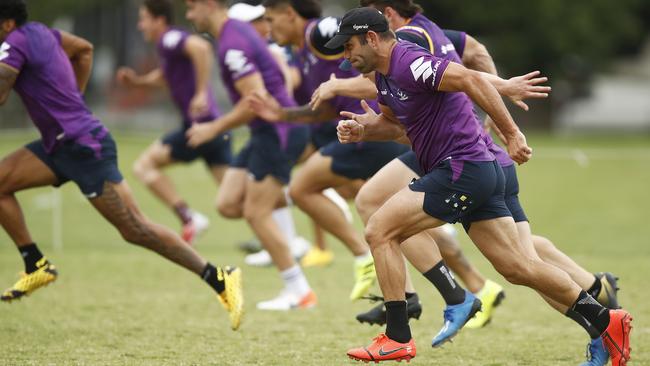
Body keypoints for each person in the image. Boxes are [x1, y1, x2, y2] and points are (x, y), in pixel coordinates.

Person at [319, 2, 622, 364]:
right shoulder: (384, 76)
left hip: (461, 169)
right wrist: (363, 130)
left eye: (349, 45)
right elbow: (398, 126)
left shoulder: (408, 60)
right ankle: (605, 323)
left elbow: (472, 78)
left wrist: (512, 134)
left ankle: (398, 336)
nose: (346, 53)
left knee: (380, 230)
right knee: (518, 267)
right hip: (471, 171)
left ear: (371, 38)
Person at [0, 0, 242, 330]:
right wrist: (75, 99)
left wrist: (73, 105)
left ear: (7, 24)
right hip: (60, 144)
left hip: (84, 147)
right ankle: (35, 263)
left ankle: (219, 278)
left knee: (135, 229)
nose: (142, 24)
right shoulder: (43, 32)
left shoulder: (14, 42)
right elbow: (83, 49)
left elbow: (2, 90)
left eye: (144, 18)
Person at [255, 0, 411, 301]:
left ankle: (362, 256)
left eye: (272, 20)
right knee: (384, 210)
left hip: (366, 129)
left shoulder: (320, 33)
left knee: (301, 189)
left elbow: (367, 49)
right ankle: (463, 288)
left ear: (290, 14)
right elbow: (323, 108)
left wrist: (341, 85)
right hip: (356, 132)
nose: (269, 29)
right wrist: (282, 115)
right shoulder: (300, 51)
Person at [183, 0, 316, 311]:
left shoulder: (233, 44)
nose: (189, 16)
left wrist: (213, 128)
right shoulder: (234, 34)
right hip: (264, 132)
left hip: (277, 133)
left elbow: (255, 100)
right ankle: (302, 196)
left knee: (257, 213)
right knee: (229, 204)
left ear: (208, 4)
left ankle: (299, 291)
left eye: (191, 7)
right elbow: (274, 73)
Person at [115, 0, 231, 244]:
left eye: (144, 18)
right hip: (211, 125)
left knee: (144, 166)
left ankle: (189, 218)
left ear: (159, 20)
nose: (140, 25)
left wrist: (200, 92)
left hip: (199, 128)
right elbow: (165, 76)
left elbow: (201, 47)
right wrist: (138, 82)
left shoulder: (169, 38)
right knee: (237, 199)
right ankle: (288, 230)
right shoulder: (166, 45)